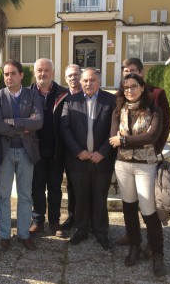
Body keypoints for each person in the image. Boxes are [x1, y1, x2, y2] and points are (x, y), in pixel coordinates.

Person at [109, 73, 166, 277]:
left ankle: (157, 254)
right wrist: (132, 140)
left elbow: (151, 136)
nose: (130, 90)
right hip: (123, 165)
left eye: (134, 86)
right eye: (126, 87)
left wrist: (124, 141)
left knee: (149, 210)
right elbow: (112, 137)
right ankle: (134, 246)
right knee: (129, 207)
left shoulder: (154, 110)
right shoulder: (119, 110)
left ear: (142, 87)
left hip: (145, 166)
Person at [117, 57, 170, 247]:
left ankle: (153, 245)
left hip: (146, 161)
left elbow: (162, 128)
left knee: (148, 206)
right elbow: (114, 131)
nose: (128, 74)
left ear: (141, 74)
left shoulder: (156, 95)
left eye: (132, 70)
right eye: (125, 71)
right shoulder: (120, 100)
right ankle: (133, 239)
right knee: (129, 205)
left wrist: (154, 147)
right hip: (124, 162)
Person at [60, 68, 116, 250]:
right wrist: (78, 151)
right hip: (79, 159)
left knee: (100, 196)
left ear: (99, 82)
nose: (88, 84)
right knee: (81, 197)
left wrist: (103, 151)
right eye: (85, 80)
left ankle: (101, 231)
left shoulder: (111, 100)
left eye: (92, 80)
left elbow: (115, 130)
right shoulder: (71, 100)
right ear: (80, 82)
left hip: (102, 159)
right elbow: (65, 128)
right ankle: (81, 229)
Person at [0, 60, 43, 252]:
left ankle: (23, 234)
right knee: (3, 196)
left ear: (22, 75)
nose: (9, 77)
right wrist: (23, 127)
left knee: (25, 196)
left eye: (13, 73)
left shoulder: (33, 95)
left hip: (26, 152)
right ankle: (4, 235)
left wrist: (11, 122)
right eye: (5, 74)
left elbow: (38, 122)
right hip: (4, 153)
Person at [29, 58, 69, 238]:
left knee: (54, 188)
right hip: (34, 151)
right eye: (39, 70)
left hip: (55, 152)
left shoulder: (64, 94)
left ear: (53, 73)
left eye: (46, 70)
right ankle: (38, 221)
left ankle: (54, 221)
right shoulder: (27, 94)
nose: (43, 74)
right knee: (36, 188)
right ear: (34, 73)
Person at [61, 64, 82, 229]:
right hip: (69, 149)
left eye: (76, 75)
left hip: (89, 149)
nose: (73, 78)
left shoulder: (88, 94)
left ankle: (87, 219)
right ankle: (72, 217)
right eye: (70, 76)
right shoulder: (62, 96)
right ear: (65, 79)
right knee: (71, 185)